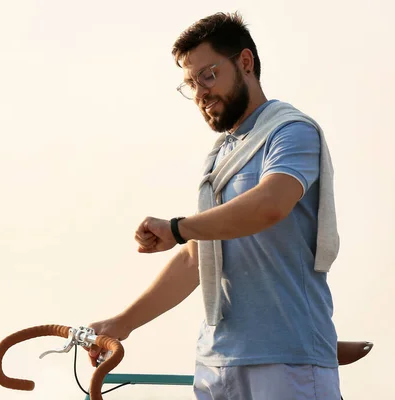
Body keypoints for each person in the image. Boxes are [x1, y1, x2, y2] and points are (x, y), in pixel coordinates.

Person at [88, 11, 341, 400]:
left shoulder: (290, 131)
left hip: (286, 358)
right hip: (216, 363)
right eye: (191, 83)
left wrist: (177, 227)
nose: (201, 92)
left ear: (245, 62)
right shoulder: (220, 155)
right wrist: (122, 324)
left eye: (208, 75)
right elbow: (196, 258)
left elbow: (270, 205)